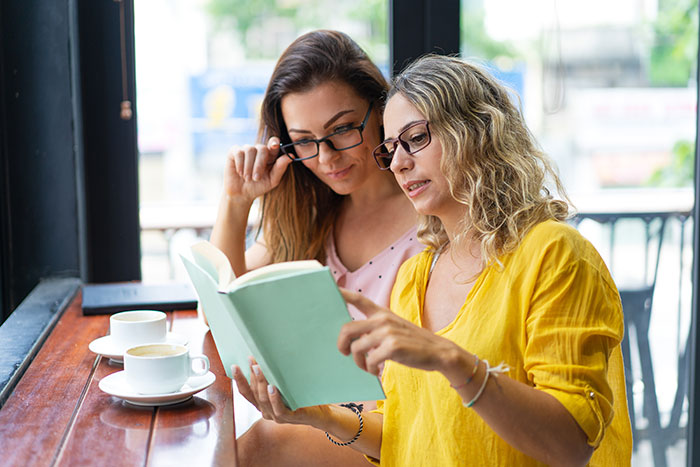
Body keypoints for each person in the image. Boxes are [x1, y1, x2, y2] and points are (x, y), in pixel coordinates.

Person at [235, 54, 633, 466]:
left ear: (477, 131)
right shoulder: (416, 275)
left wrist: (451, 360)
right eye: (390, 149)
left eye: (417, 139)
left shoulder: (555, 254)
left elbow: (571, 444)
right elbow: (403, 431)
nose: (400, 163)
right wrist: (318, 417)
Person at [210, 30, 422, 465]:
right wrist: (236, 203)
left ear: (380, 112)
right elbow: (221, 310)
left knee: (256, 447)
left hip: (401, 432)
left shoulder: (429, 212)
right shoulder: (311, 214)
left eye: (342, 129)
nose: (325, 157)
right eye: (303, 140)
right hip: (329, 422)